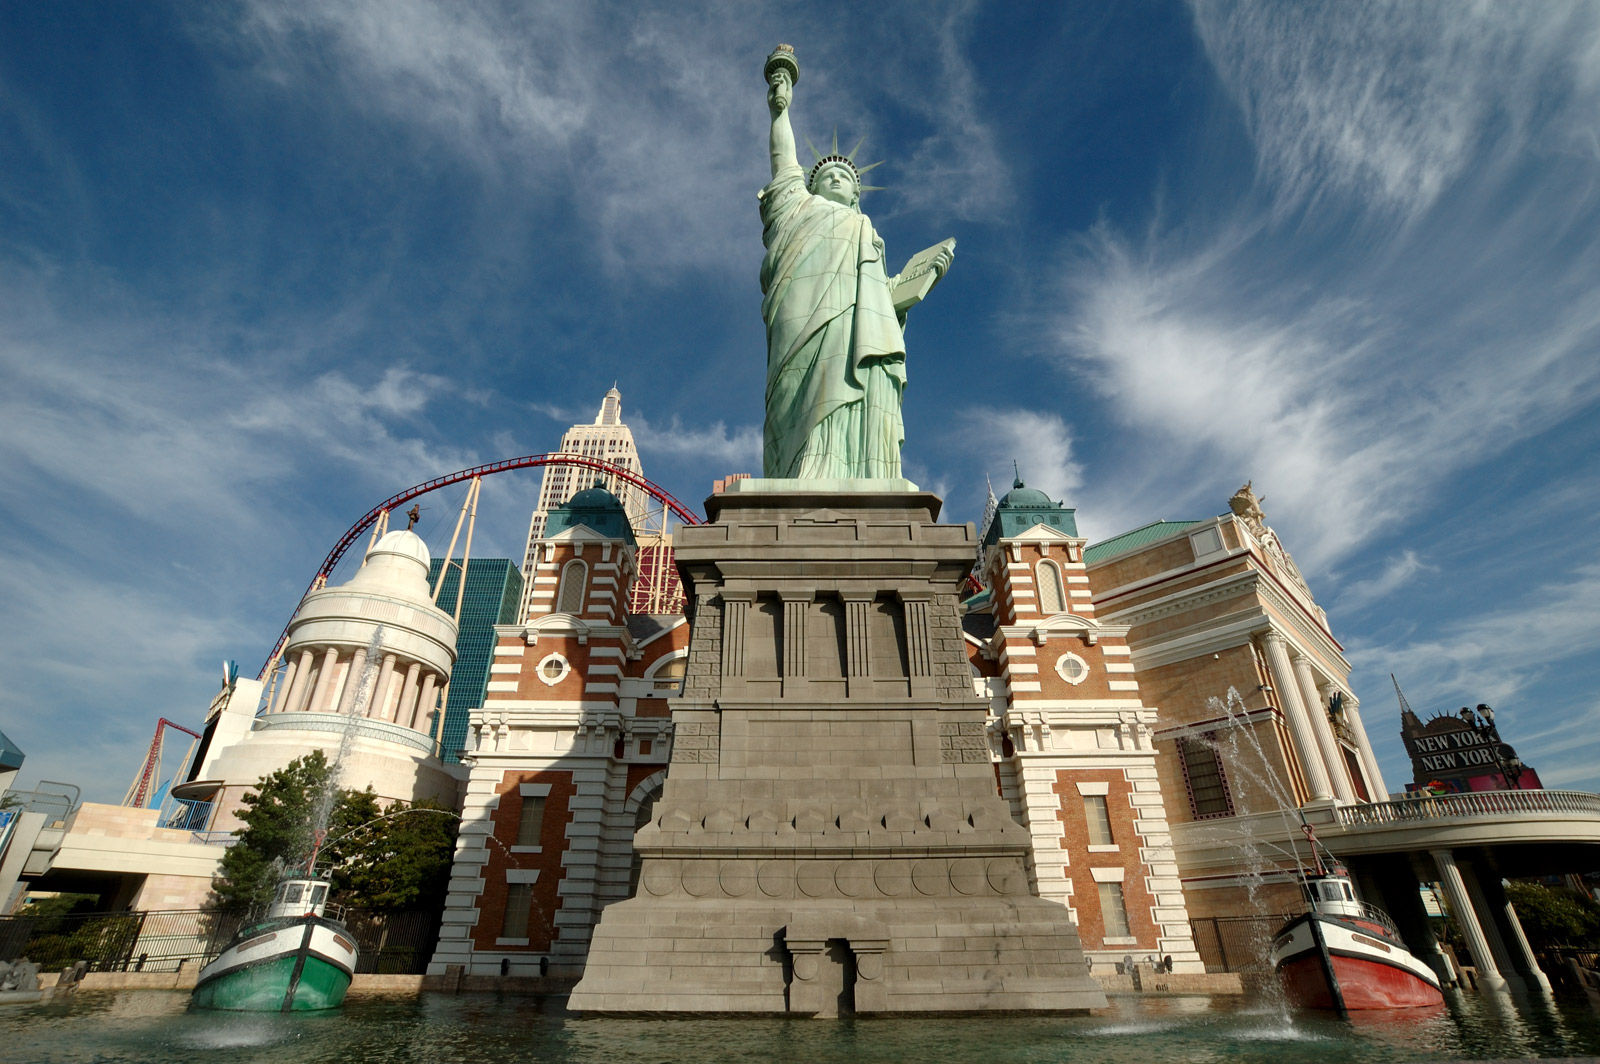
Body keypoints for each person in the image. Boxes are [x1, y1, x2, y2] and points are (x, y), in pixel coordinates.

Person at [759, 52, 953, 480]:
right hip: (799, 316)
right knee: (796, 390)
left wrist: (924, 278)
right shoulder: (797, 207)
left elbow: (880, 300)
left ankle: (847, 467)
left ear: (855, 195)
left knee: (858, 372)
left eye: (845, 178)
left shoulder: (865, 230)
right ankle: (798, 467)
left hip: (853, 328)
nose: (835, 179)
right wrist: (780, 110)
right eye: (825, 176)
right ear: (810, 187)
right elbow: (783, 160)